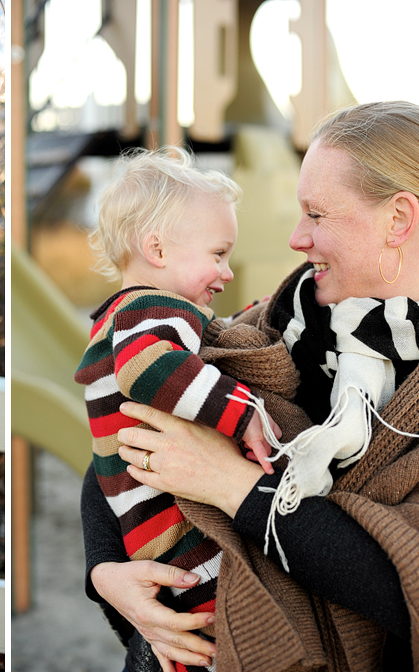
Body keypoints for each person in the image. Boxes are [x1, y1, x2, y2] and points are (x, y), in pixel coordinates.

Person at [81, 100, 419, 672]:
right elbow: (121, 428)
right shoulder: (269, 327)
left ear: (399, 219)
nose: (296, 238)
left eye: (316, 213)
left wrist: (231, 485)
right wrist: (105, 571)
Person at [73, 148, 280, 632]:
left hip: (150, 524)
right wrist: (242, 412)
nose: (227, 272)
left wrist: (259, 311)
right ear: (158, 250)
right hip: (174, 525)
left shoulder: (134, 312)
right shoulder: (153, 310)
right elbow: (148, 370)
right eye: (218, 254)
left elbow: (208, 340)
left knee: (197, 629)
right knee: (223, 623)